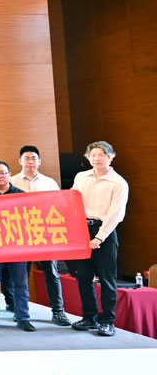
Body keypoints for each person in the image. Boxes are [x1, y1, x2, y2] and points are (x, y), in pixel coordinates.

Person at [71, 141, 128, 337]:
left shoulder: (118, 182)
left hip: (105, 231)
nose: (96, 158)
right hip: (81, 229)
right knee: (83, 277)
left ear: (110, 157)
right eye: (93, 155)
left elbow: (115, 214)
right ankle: (90, 317)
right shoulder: (81, 177)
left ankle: (107, 321)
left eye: (101, 155)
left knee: (106, 278)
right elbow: (72, 201)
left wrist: (99, 237)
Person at [11, 145, 71, 326]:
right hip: (20, 235)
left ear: (39, 161)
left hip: (44, 234)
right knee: (21, 275)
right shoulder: (12, 182)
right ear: (20, 161)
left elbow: (60, 207)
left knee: (51, 273)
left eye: (34, 158)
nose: (30, 162)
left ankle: (58, 311)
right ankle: (21, 312)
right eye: (26, 158)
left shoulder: (49, 183)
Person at [0, 161, 35, 332]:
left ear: (10, 174)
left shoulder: (21, 195)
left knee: (20, 284)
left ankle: (23, 317)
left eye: (2, 173)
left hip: (17, 248)